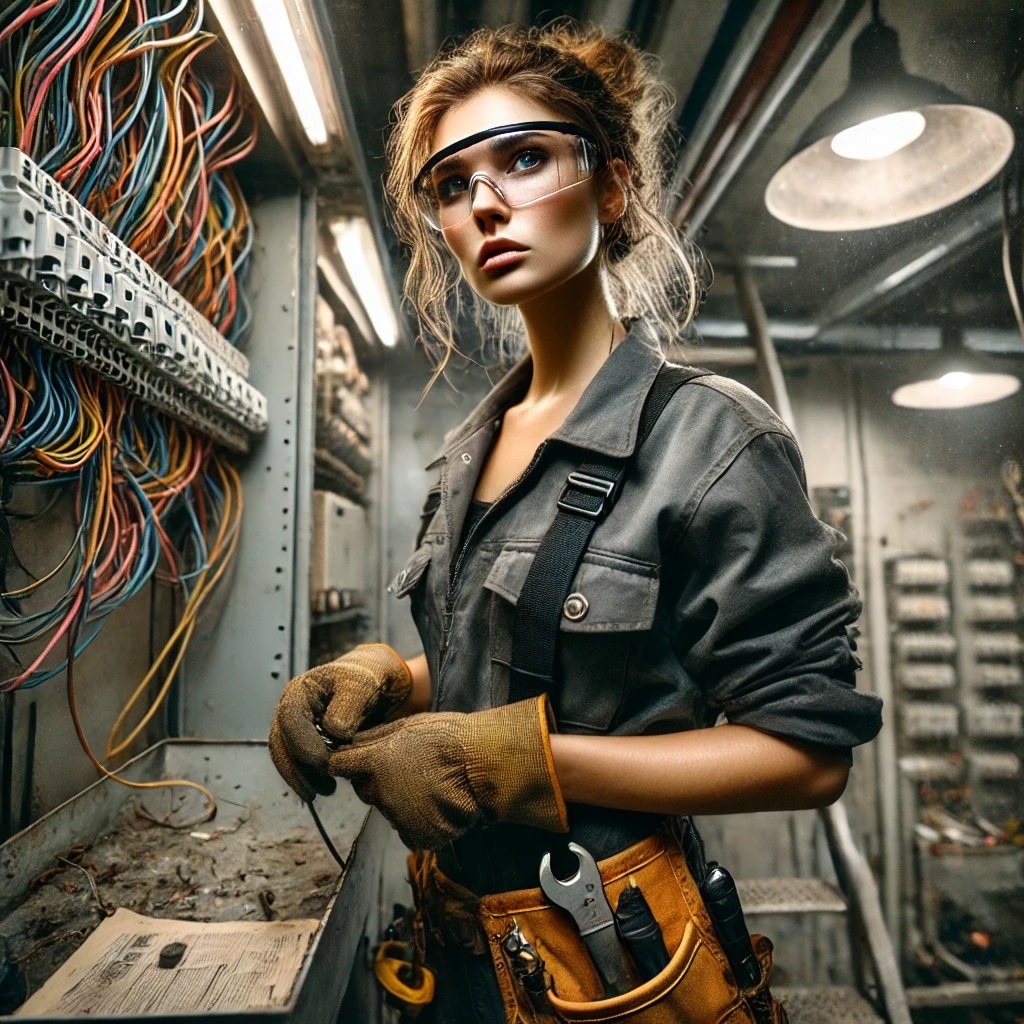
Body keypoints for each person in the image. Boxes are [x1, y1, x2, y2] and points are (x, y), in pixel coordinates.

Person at [269, 20, 882, 1023]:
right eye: (452, 184)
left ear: (611, 185)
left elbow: (808, 749)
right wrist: (389, 677)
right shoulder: (471, 447)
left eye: (523, 158)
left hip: (613, 962)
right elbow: (532, 651)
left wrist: (509, 763)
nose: (486, 203)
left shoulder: (708, 439)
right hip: (459, 953)